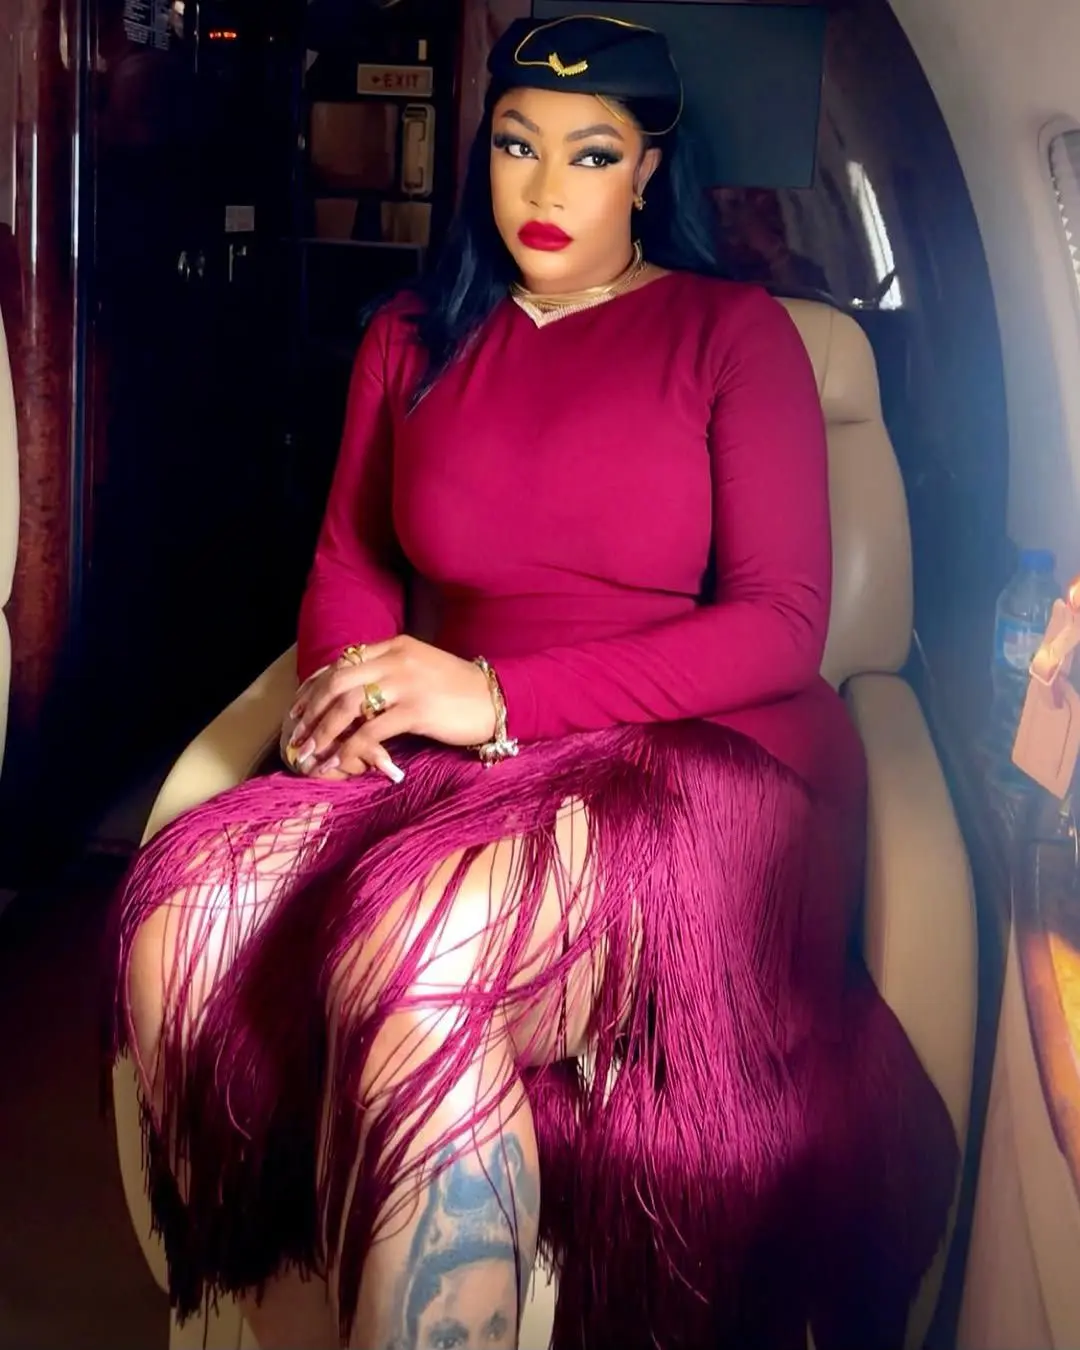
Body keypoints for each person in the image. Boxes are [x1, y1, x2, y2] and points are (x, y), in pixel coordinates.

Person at [106, 15, 958, 1350]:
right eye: (517, 144)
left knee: (417, 948)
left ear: (650, 169)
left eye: (592, 153)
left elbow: (782, 626)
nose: (547, 187)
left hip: (702, 757)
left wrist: (496, 696)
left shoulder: (735, 333)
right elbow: (351, 569)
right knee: (182, 918)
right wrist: (347, 702)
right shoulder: (411, 336)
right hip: (462, 757)